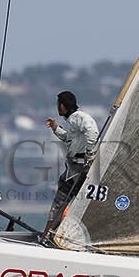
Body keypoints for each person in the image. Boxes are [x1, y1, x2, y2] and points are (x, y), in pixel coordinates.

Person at [42, 90, 100, 243]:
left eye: (58, 104)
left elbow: (92, 132)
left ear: (62, 106)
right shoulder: (73, 120)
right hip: (77, 166)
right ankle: (54, 234)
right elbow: (69, 139)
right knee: (73, 200)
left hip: (78, 167)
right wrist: (56, 128)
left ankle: (46, 236)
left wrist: (89, 153)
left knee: (60, 200)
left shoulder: (79, 117)